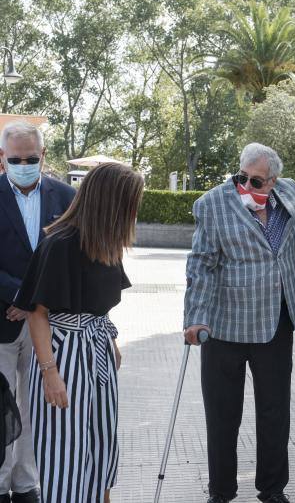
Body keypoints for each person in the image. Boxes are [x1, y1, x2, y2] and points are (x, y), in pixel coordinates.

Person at [183, 143, 295, 503]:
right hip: (225, 326)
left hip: (275, 323)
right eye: (242, 177)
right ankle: (221, 491)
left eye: (257, 181)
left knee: (275, 413)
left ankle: (272, 490)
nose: (247, 186)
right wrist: (195, 317)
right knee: (223, 414)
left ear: (273, 180)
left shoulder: (287, 194)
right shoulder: (211, 204)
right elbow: (201, 264)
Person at [14, 163, 143, 503]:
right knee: (65, 455)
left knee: (102, 445)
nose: (135, 209)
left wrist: (110, 341)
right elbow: (36, 312)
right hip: (64, 350)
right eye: (131, 201)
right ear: (110, 201)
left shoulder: (107, 244)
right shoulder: (60, 244)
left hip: (97, 345)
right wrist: (50, 373)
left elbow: (100, 307)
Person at [0, 122, 75, 503]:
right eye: (16, 159)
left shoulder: (67, 197)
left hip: (48, 323)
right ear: (2, 158)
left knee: (35, 408)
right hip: (3, 320)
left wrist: (33, 302)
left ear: (43, 155)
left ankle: (26, 483)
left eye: (31, 158)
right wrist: (19, 295)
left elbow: (76, 259)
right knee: (1, 406)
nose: (24, 164)